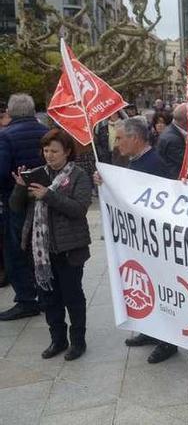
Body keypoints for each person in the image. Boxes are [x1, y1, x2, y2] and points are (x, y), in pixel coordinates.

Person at [94, 118, 180, 363]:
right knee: (146, 285)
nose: (116, 142)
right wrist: (106, 183)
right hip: (142, 242)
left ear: (136, 138)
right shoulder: (135, 161)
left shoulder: (153, 164)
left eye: (120, 138)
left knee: (162, 289)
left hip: (156, 243)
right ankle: (152, 330)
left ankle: (168, 342)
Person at [10, 129, 91, 359]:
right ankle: (58, 340)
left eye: (54, 151)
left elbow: (79, 209)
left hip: (69, 249)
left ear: (66, 152)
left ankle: (78, 341)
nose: (49, 155)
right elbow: (16, 206)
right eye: (45, 150)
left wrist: (48, 195)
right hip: (40, 251)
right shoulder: (37, 174)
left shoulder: (78, 175)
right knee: (49, 298)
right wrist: (19, 186)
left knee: (72, 297)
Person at [0, 94, 48, 321]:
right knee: (41, 247)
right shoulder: (45, 133)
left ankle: (26, 300)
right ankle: (45, 295)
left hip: (16, 201)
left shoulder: (5, 137)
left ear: (10, 112)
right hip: (45, 198)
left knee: (15, 251)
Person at [157, 104, 188, 178]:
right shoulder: (173, 140)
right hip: (174, 179)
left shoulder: (171, 130)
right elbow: (187, 162)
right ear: (186, 120)